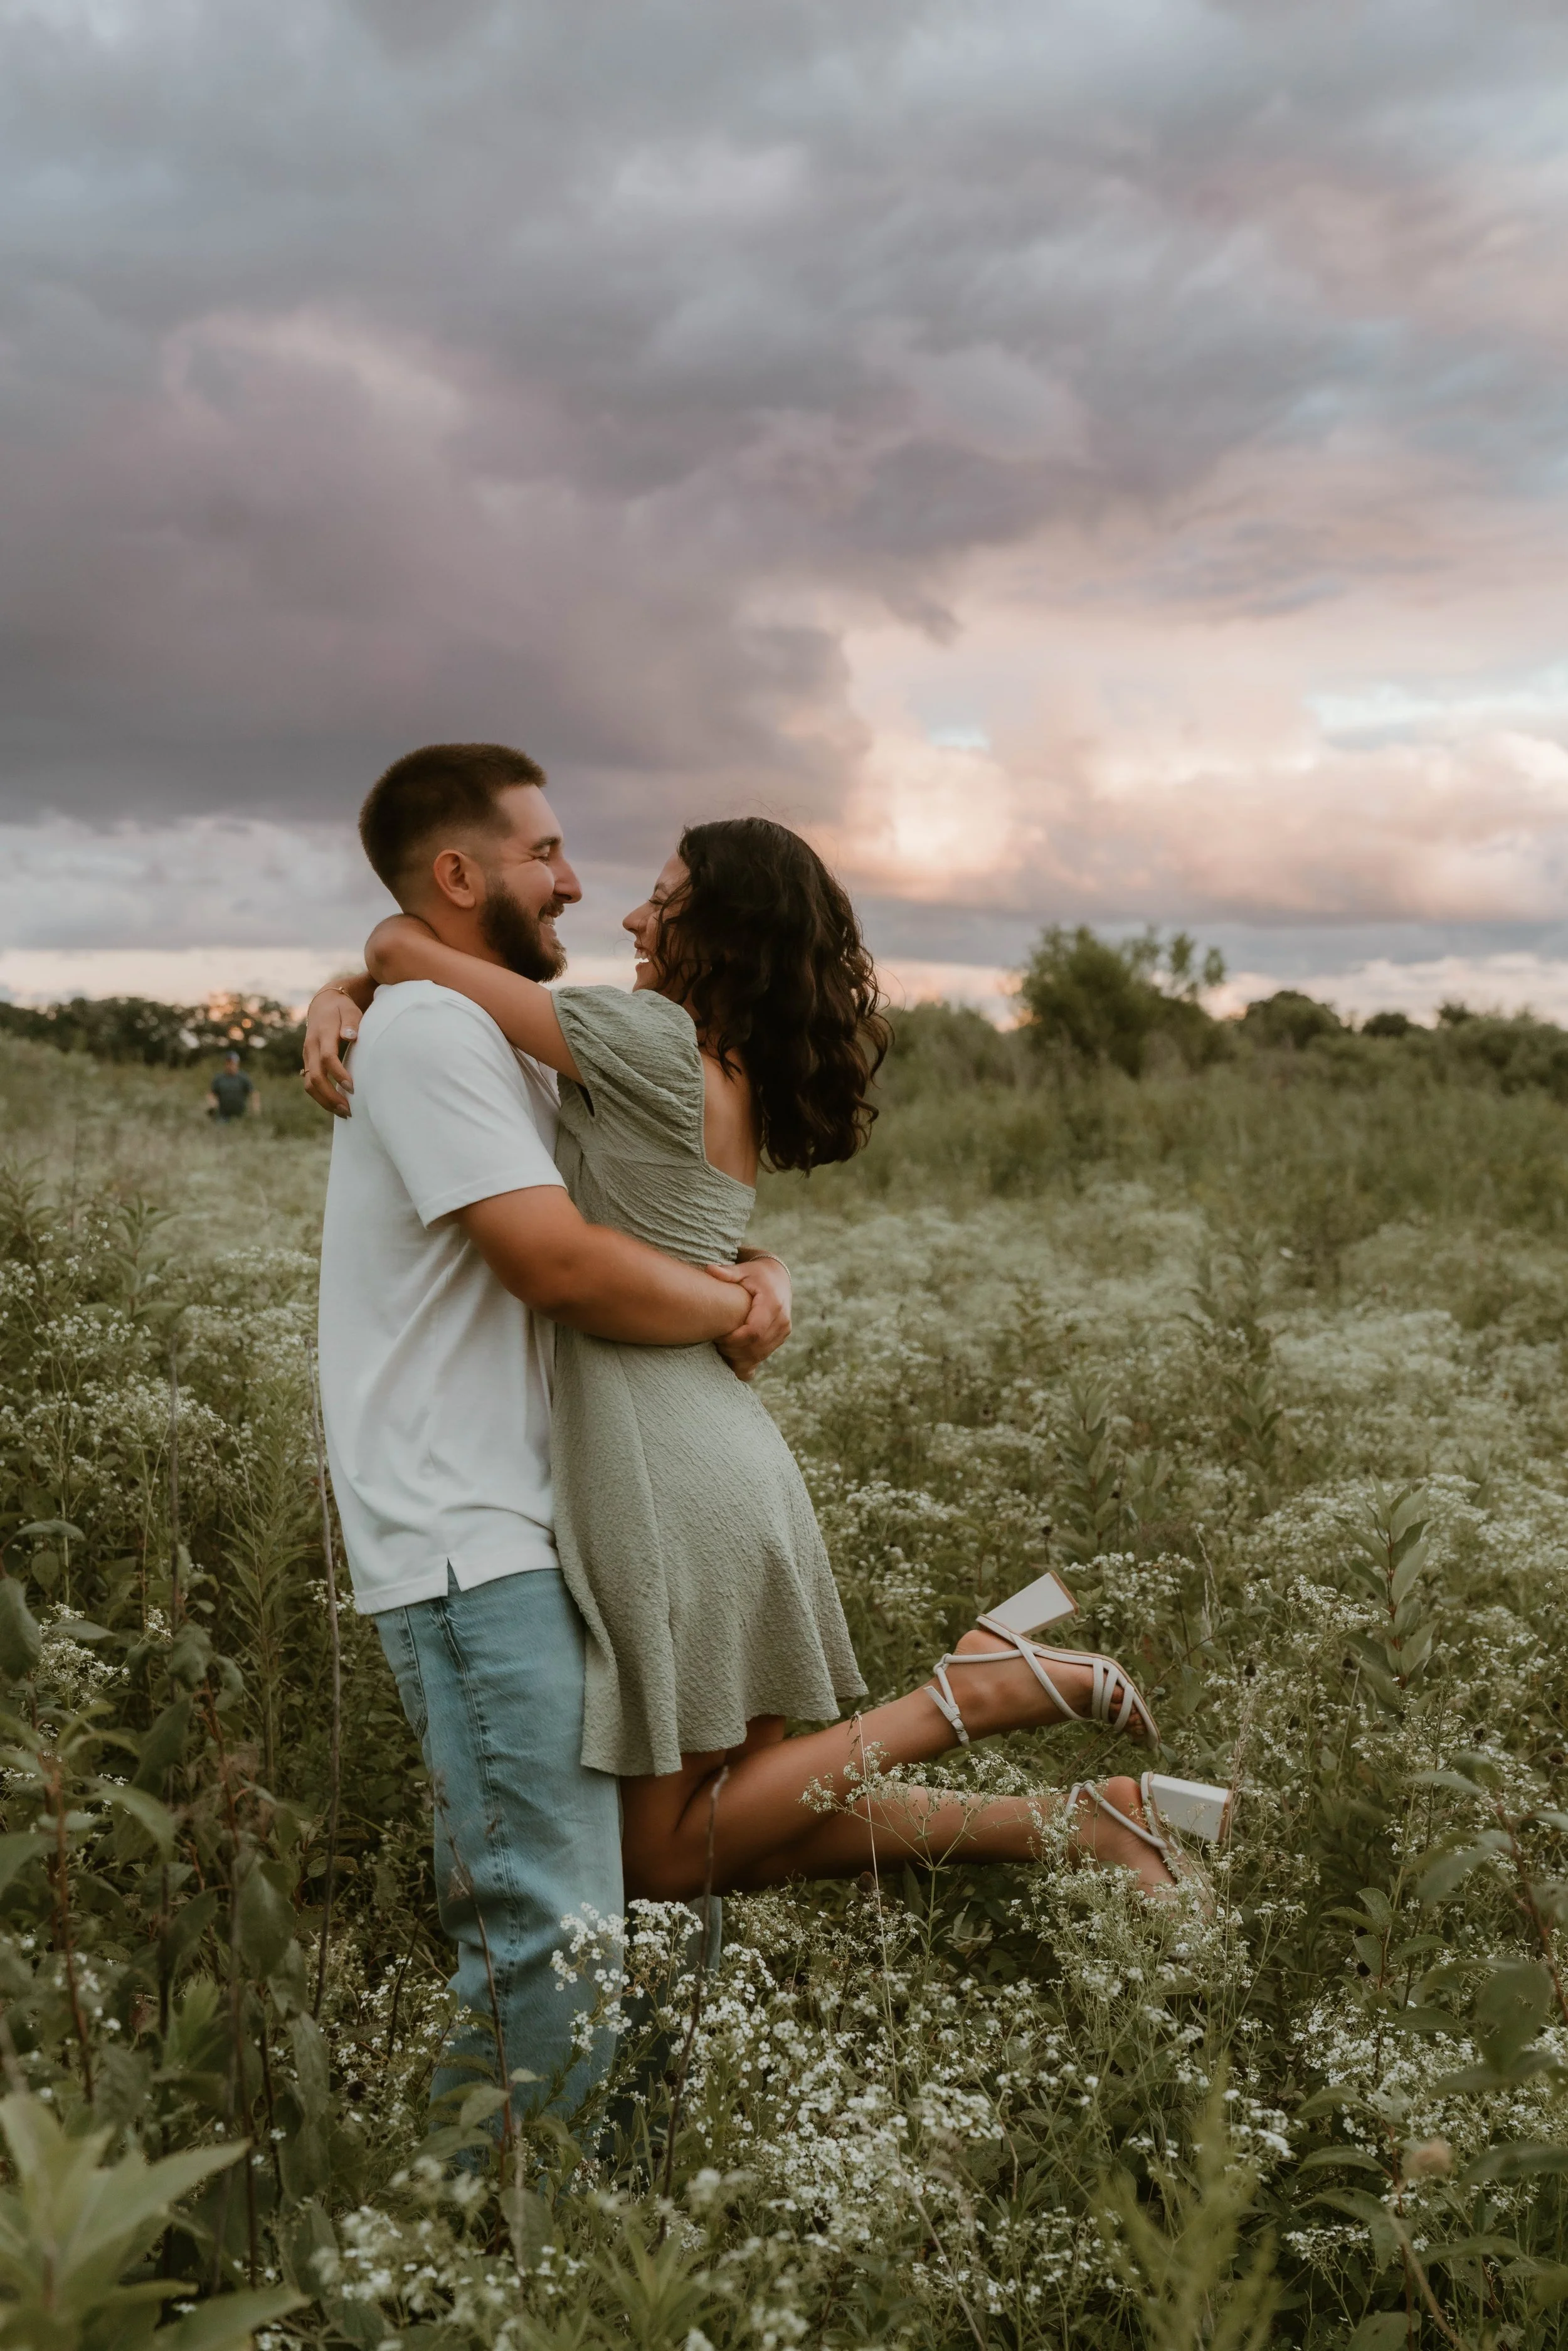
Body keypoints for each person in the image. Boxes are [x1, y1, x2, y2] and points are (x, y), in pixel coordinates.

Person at [305, 758, 1231, 1963]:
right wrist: (350, 985)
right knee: (739, 1824)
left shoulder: (640, 1037)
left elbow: (420, 958)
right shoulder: (709, 1061)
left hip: (661, 1466)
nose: (624, 910)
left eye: (661, 895)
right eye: (568, 863)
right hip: (716, 1454)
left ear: (718, 928)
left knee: (657, 1855)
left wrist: (369, 955)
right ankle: (1083, 1821)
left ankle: (976, 1693)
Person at [305, 745, 793, 2122]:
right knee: (555, 1962)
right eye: (545, 855)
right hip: (472, 1539)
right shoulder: (429, 1031)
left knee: (648, 1923)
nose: (578, 884)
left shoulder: (481, 1021)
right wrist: (728, 1303)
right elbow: (560, 1264)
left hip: (569, 1519)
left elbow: (638, 1203)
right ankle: (440, 2285)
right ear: (461, 875)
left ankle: (588, 2248)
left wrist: (755, 1264)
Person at [206, 1049, 258, 1122]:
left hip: (240, 1116)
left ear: (237, 1064)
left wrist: (255, 1109)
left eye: (233, 1063)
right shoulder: (219, 1078)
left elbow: (253, 1093)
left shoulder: (244, 1078)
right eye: (228, 1063)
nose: (230, 1065)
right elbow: (212, 1094)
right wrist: (212, 1104)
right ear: (225, 1064)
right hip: (223, 1116)